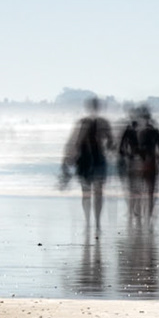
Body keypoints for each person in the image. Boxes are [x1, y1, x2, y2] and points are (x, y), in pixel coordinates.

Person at [61, 97, 114, 232]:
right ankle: (96, 222)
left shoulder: (83, 122)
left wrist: (67, 159)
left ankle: (89, 221)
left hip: (86, 160)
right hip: (96, 158)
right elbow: (111, 143)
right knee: (97, 192)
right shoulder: (103, 123)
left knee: (87, 192)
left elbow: (73, 142)